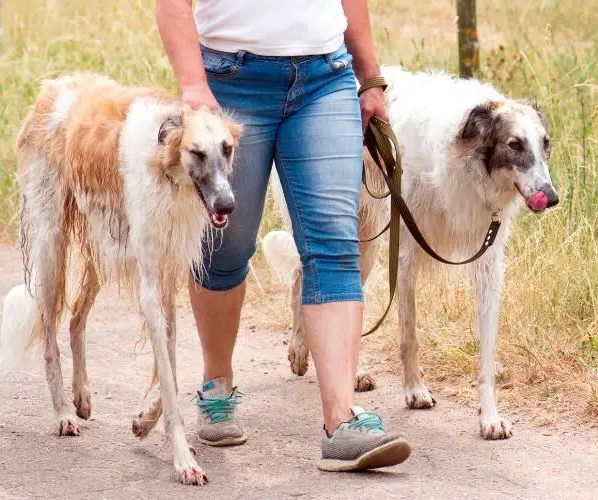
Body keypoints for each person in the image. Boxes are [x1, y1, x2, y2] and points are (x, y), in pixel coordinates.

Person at [155, 0, 411, 471]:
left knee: (336, 244)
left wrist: (370, 77)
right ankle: (217, 381)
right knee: (226, 246)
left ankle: (341, 422)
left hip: (325, 78)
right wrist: (193, 82)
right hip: (231, 80)